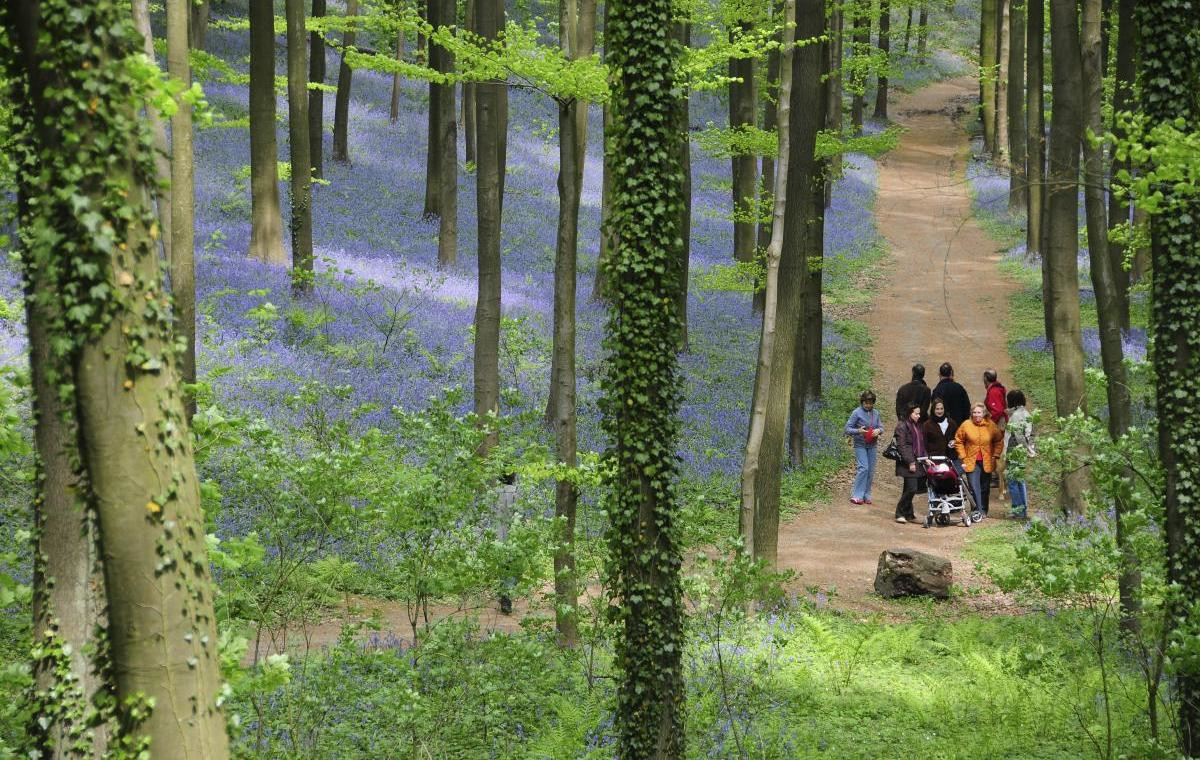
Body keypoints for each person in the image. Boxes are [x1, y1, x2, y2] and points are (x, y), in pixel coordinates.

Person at [953, 402, 1004, 517]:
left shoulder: (991, 425)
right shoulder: (966, 425)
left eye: (979, 412)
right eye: (974, 412)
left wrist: (996, 454)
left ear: (984, 413)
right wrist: (962, 456)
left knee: (985, 488)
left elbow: (999, 440)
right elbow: (958, 441)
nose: (977, 415)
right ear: (971, 413)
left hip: (987, 461)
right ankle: (977, 511)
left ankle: (984, 510)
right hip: (971, 461)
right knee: (973, 487)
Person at [844, 390, 885, 505]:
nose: (868, 405)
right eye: (866, 403)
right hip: (860, 445)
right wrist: (858, 431)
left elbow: (881, 427)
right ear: (862, 402)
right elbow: (847, 429)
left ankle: (866, 494)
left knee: (870, 470)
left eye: (870, 403)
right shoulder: (856, 413)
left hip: (872, 445)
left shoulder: (876, 413)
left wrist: (878, 430)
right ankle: (857, 495)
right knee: (863, 468)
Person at [1003, 389, 1035, 519]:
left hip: (1014, 451)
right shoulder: (1026, 413)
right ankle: (1023, 510)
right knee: (1020, 481)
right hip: (1021, 452)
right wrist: (1030, 449)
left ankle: (1018, 510)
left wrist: (1024, 449)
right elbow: (1031, 434)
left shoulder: (1016, 416)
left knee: (1012, 482)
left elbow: (1018, 435)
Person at [894, 403, 927, 523]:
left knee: (909, 488)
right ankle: (899, 512)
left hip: (917, 460)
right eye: (916, 413)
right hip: (907, 462)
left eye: (919, 413)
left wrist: (925, 458)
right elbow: (902, 446)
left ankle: (908, 513)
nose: (919, 416)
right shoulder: (902, 426)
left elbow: (921, 444)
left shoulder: (917, 425)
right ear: (910, 413)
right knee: (912, 488)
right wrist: (910, 462)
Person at [983, 369, 1008, 492]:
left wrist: (989, 423)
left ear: (986, 379)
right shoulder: (999, 388)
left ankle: (996, 477)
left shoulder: (993, 392)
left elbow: (997, 411)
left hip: (997, 425)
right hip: (1001, 423)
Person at [932, 362, 971, 426]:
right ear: (951, 373)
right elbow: (967, 407)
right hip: (959, 425)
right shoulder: (959, 388)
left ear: (939, 374)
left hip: (943, 427)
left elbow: (934, 410)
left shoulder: (937, 390)